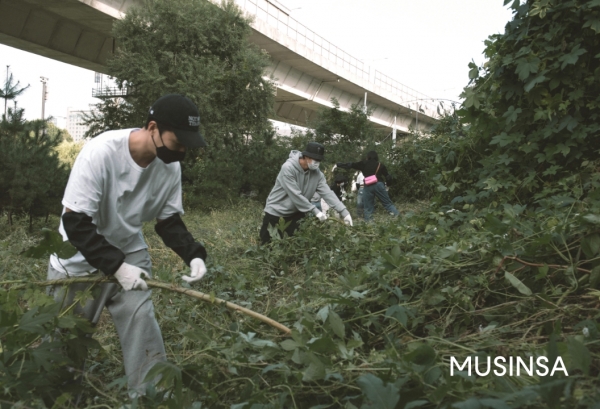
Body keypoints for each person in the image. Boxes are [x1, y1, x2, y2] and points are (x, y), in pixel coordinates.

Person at [47, 94, 208, 396]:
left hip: (129, 251)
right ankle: (62, 400)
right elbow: (76, 222)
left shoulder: (169, 167)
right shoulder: (101, 153)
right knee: (66, 342)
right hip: (77, 259)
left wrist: (193, 255)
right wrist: (116, 266)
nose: (183, 149)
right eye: (178, 141)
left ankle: (153, 396)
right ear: (152, 128)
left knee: (142, 323)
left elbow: (168, 220)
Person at [260, 142, 353, 244]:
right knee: (268, 246)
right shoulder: (288, 168)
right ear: (306, 156)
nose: (317, 163)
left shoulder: (317, 174)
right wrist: (315, 211)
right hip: (276, 212)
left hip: (295, 213)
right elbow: (295, 195)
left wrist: (344, 212)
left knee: (294, 246)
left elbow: (328, 193)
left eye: (319, 160)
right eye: (315, 159)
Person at [337, 150, 399, 221]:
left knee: (368, 208)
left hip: (368, 186)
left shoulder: (363, 163)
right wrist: (388, 185)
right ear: (376, 157)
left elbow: (351, 165)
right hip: (379, 184)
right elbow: (388, 177)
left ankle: (369, 226)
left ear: (368, 157)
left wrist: (339, 165)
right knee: (388, 204)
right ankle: (398, 218)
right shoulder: (380, 165)